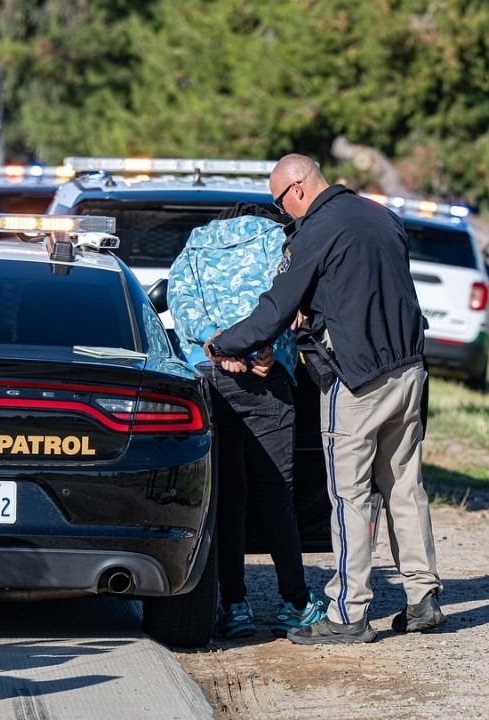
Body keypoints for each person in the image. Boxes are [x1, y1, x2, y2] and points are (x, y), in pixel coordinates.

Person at [206, 154, 442, 645]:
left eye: (280, 202)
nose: (283, 213)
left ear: (297, 188)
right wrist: (315, 308)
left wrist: (225, 343)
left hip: (356, 381)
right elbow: (364, 288)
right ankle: (423, 598)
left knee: (349, 497)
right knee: (404, 486)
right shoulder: (381, 216)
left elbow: (273, 310)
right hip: (409, 369)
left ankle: (348, 612)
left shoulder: (316, 227)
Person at [167, 202, 326, 639]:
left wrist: (215, 346)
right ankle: (295, 602)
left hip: (209, 379)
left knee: (227, 496)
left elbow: (180, 305)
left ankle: (234, 606)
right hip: (266, 378)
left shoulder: (194, 248)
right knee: (276, 495)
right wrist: (266, 349)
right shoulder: (280, 242)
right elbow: (295, 301)